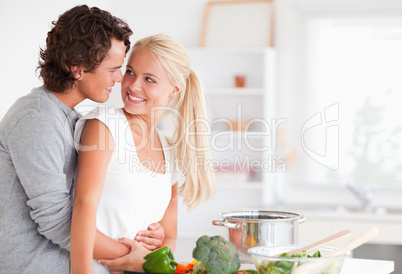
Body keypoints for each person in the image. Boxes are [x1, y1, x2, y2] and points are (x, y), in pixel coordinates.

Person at [0, 5, 139, 273]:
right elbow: (58, 223)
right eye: (113, 69)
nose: (119, 78)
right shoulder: (37, 119)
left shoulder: (69, 117)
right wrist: (133, 256)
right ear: (77, 68)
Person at [71, 33, 216, 273]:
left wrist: (152, 251)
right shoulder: (105, 125)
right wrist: (141, 260)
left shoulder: (169, 151)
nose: (133, 85)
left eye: (149, 79)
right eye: (130, 72)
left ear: (174, 89)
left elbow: (168, 236)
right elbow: (78, 214)